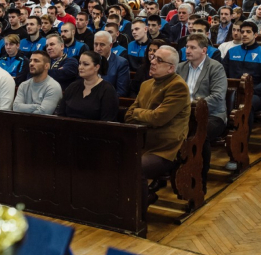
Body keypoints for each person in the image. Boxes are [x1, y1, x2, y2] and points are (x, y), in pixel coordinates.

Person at [125, 46, 191, 202]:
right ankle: (126, 204)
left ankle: (139, 210)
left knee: (136, 167)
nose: (153, 61)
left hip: (165, 149)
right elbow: (128, 116)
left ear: (170, 68)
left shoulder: (177, 86)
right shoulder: (146, 85)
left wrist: (140, 113)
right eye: (153, 57)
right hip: (142, 143)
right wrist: (148, 114)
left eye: (159, 60)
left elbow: (159, 118)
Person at [177, 33, 228, 192]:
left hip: (212, 115)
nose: (188, 50)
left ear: (204, 50)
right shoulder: (180, 67)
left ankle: (200, 180)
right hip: (185, 115)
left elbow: (218, 97)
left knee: (200, 135)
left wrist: (194, 107)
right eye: (187, 47)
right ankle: (174, 174)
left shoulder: (215, 67)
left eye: (193, 47)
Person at [223, 20, 261, 121]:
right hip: (231, 91)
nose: (244, 34)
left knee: (246, 104)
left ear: (255, 35)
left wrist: (249, 91)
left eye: (248, 32)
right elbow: (222, 74)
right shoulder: (232, 52)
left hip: (255, 94)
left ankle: (244, 131)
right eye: (242, 32)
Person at [12, 50, 61, 115]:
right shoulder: (23, 85)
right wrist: (37, 106)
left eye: (36, 61)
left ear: (46, 66)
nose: (31, 64)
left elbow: (44, 113)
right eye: (30, 60)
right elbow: (16, 108)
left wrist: (24, 109)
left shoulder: (53, 87)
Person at [93, 30, 130, 97]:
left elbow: (121, 92)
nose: (98, 48)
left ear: (110, 46)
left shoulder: (121, 63)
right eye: (96, 44)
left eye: (102, 45)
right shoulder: (89, 61)